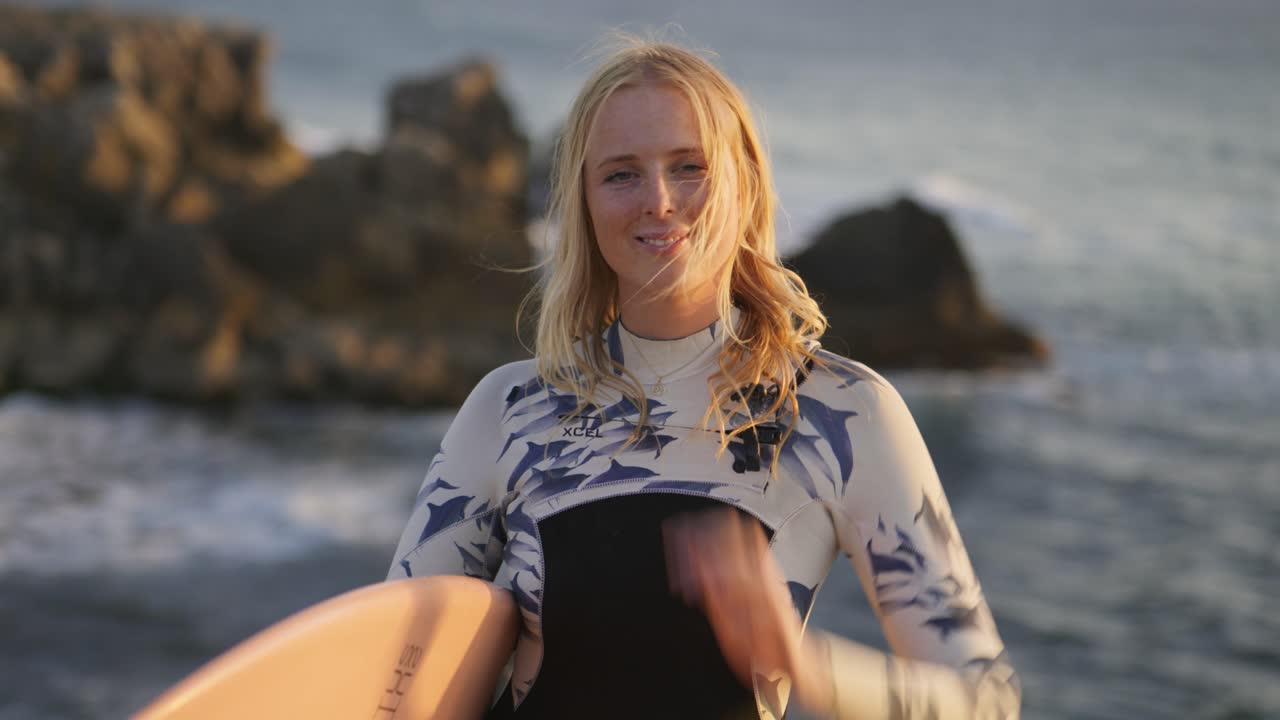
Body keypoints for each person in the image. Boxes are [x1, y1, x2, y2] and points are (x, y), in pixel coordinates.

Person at [387, 38, 1021, 719]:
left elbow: (985, 703)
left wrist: (804, 665)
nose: (658, 201)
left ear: (744, 182)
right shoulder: (510, 409)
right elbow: (389, 674)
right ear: (584, 202)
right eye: (621, 174)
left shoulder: (841, 414)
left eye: (689, 166)